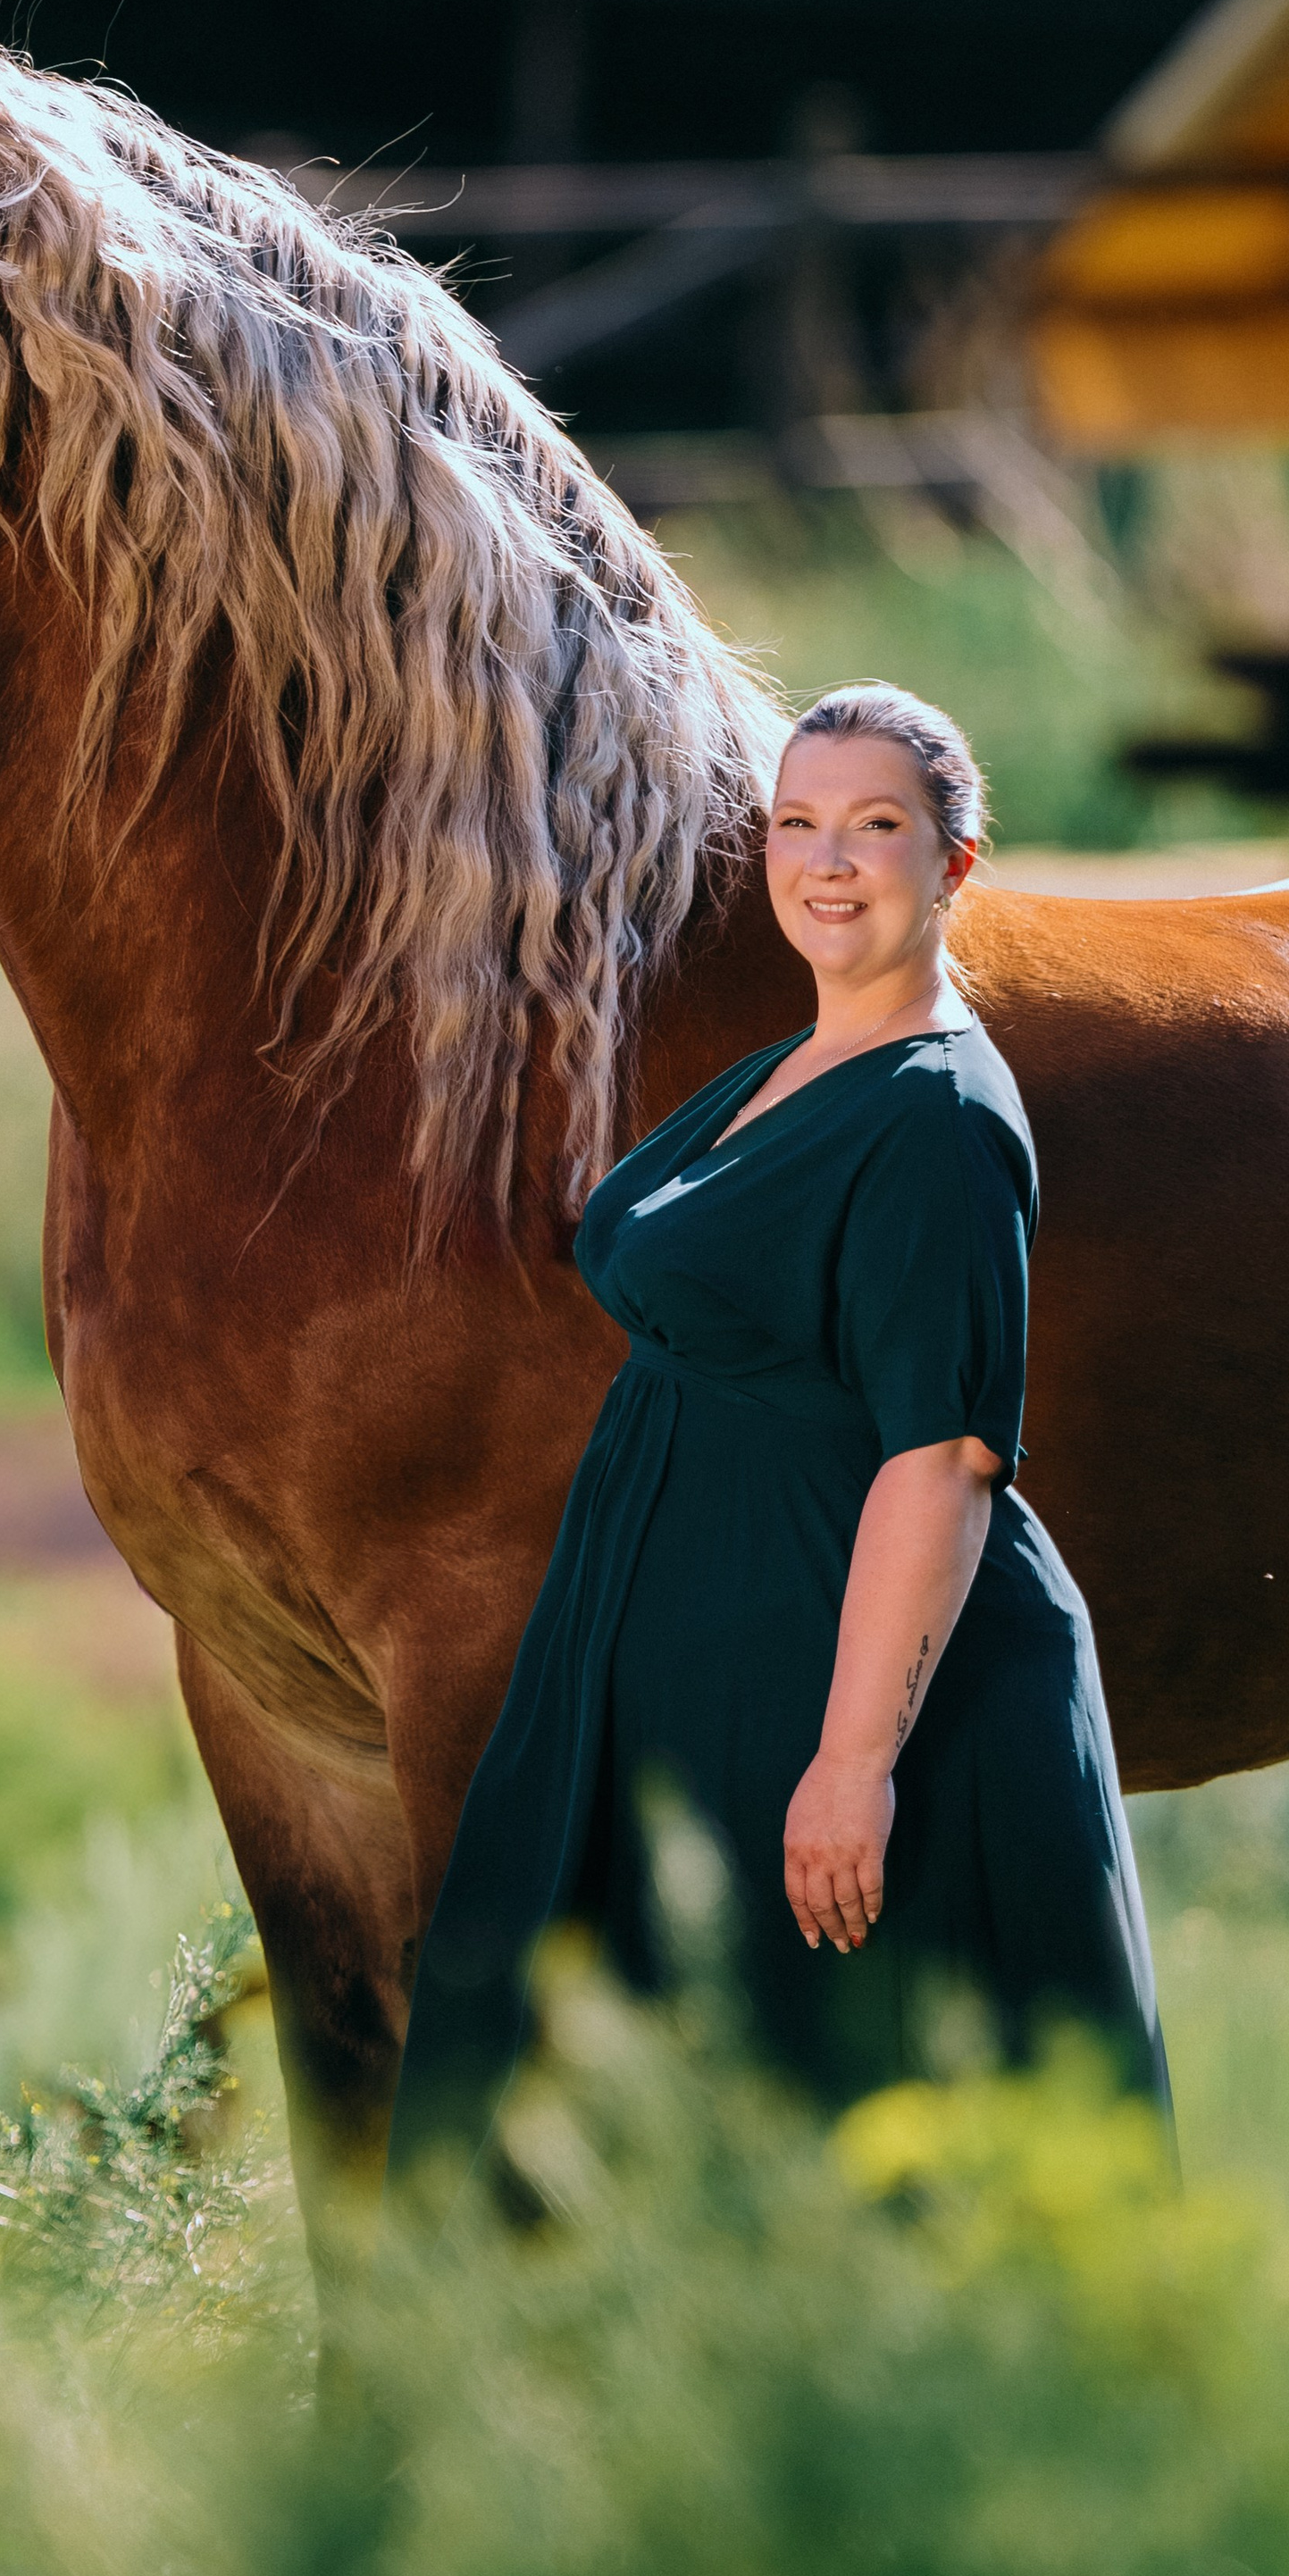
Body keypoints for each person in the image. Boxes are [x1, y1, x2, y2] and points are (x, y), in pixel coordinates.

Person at [389, 682, 1168, 2186]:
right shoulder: (801, 1062)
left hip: (842, 1687)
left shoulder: (939, 1115)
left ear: (953, 860)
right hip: (699, 1656)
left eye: (875, 826)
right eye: (799, 824)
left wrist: (855, 1760)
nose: (828, 861)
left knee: (852, 2156)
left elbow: (942, 1457)